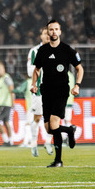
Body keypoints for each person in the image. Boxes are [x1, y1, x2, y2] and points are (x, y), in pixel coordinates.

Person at [30, 19, 84, 168]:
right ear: (48, 32)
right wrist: (33, 84)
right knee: (49, 129)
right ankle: (69, 130)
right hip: (46, 91)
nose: (53, 32)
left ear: (60, 31)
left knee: (54, 124)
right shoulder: (42, 51)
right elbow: (36, 70)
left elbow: (80, 69)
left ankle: (58, 160)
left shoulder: (67, 50)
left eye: (56, 29)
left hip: (61, 91)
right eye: (51, 30)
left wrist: (77, 85)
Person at [24, 27, 54, 157]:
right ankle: (34, 142)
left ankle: (48, 142)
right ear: (41, 36)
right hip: (39, 90)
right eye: (45, 33)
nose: (48, 36)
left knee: (53, 118)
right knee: (37, 118)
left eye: (49, 33)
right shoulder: (34, 51)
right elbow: (29, 72)